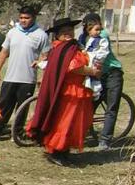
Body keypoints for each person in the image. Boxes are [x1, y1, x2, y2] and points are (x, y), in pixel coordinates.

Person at [26, 18, 100, 166]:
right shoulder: (65, 48)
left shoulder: (64, 47)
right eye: (64, 32)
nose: (68, 34)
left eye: (70, 31)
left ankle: (62, 150)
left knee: (68, 122)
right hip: (69, 92)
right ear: (57, 35)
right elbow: (73, 67)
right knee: (66, 122)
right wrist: (92, 71)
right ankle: (57, 151)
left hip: (71, 89)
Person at [0, 5, 51, 139]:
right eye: (21, 17)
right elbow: (4, 52)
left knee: (21, 109)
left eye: (27, 18)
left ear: (33, 18)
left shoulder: (41, 35)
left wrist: (42, 75)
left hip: (28, 79)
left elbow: (45, 56)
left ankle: (16, 133)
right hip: (10, 77)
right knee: (3, 107)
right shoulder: (12, 32)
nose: (23, 20)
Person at [79, 13, 123, 150]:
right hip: (96, 75)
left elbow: (99, 54)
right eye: (91, 26)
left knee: (111, 108)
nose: (97, 29)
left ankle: (105, 140)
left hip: (112, 73)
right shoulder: (83, 37)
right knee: (89, 106)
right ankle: (82, 134)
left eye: (98, 26)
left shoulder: (101, 35)